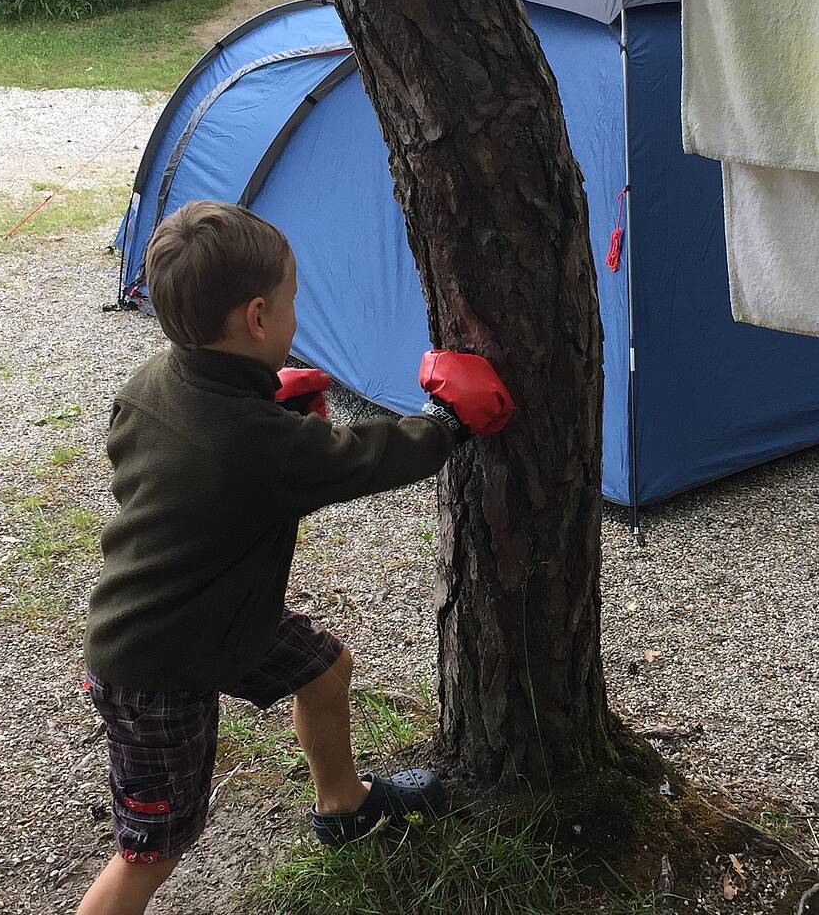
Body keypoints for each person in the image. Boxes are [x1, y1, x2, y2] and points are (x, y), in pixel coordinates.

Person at [76, 201, 514, 915]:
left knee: (324, 666)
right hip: (156, 662)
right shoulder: (255, 445)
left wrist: (266, 418)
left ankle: (344, 805)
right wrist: (447, 424)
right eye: (291, 302)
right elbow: (364, 458)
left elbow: (164, 458)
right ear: (256, 318)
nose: (294, 315)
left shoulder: (153, 381)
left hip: (218, 615)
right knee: (151, 851)